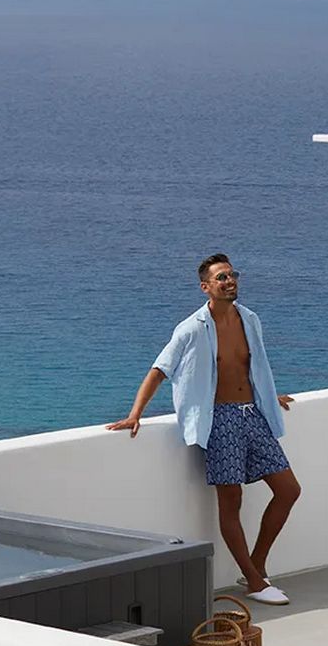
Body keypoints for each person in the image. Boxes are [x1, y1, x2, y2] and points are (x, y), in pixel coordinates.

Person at [107, 253, 300, 606]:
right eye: (222, 278)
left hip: (253, 414)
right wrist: (136, 413)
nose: (230, 282)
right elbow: (159, 370)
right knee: (231, 502)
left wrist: (270, 395)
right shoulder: (192, 328)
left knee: (288, 490)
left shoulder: (249, 319)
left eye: (232, 275)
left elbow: (252, 364)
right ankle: (256, 582)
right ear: (206, 287)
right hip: (219, 419)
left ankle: (255, 566)